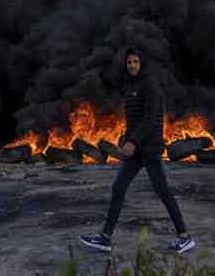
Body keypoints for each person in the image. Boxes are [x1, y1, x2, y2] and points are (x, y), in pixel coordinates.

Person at [81, 48, 195, 254]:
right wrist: (126, 138)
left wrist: (133, 141)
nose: (132, 65)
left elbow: (150, 118)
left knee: (162, 191)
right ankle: (105, 238)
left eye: (135, 61)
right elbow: (134, 119)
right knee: (118, 187)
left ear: (142, 64)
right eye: (129, 62)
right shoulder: (131, 86)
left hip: (149, 149)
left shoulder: (150, 84)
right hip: (136, 152)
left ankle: (185, 237)